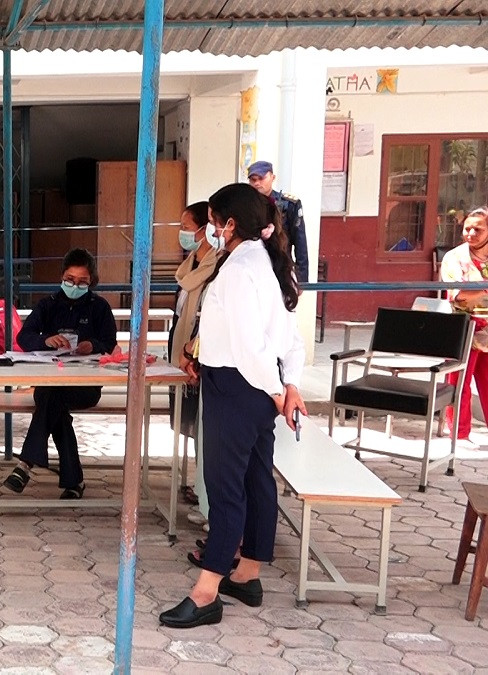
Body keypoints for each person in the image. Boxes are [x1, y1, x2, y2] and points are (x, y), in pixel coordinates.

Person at [159, 183, 306, 629]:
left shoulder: (241, 270)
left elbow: (248, 347)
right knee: (257, 477)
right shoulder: (264, 261)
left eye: (212, 220)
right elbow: (287, 338)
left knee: (225, 487)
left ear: (229, 224)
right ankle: (248, 573)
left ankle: (206, 593)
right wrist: (288, 386)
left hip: (239, 387)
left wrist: (280, 392)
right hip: (260, 389)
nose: (208, 229)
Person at [2, 249, 118, 500]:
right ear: (61, 277)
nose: (74, 285)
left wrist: (92, 346)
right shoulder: (48, 304)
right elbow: (24, 337)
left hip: (85, 387)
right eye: (69, 279)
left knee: (48, 401)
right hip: (50, 381)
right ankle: (73, 481)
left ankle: (25, 465)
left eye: (82, 282)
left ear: (92, 281)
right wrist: (46, 340)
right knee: (54, 406)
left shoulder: (99, 307)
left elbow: (109, 342)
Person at [170, 201, 222, 516]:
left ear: (204, 229)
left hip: (200, 354)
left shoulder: (217, 265)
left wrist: (195, 352)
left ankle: (209, 501)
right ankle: (200, 490)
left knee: (207, 430)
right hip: (183, 347)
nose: (183, 233)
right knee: (192, 423)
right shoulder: (193, 261)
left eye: (187, 226)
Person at [440, 207, 488, 441]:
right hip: (464, 328)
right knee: (459, 385)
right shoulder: (454, 258)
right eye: (467, 228)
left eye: (477, 229)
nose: (470, 233)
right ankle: (459, 434)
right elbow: (457, 294)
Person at [248, 160, 309, 282]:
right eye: (253, 180)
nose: (257, 183)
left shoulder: (289, 205)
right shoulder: (245, 205)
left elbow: (300, 241)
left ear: (272, 177)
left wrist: (301, 278)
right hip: (253, 268)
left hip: (280, 268)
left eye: (261, 178)